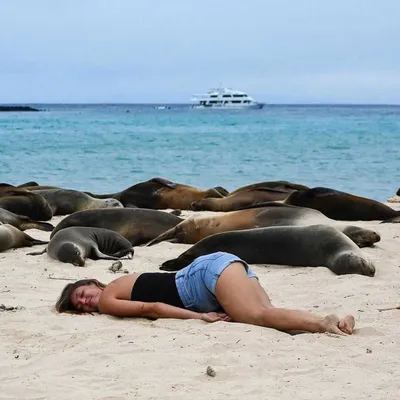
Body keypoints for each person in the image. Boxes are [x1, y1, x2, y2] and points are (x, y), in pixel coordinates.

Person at [56, 251, 355, 335]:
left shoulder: (109, 299)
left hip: (203, 279)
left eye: (81, 293)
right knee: (269, 320)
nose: (84, 301)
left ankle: (322, 323)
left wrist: (198, 316)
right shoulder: (120, 286)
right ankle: (339, 323)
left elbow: (153, 308)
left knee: (260, 316)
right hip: (218, 268)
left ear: (93, 284)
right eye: (79, 306)